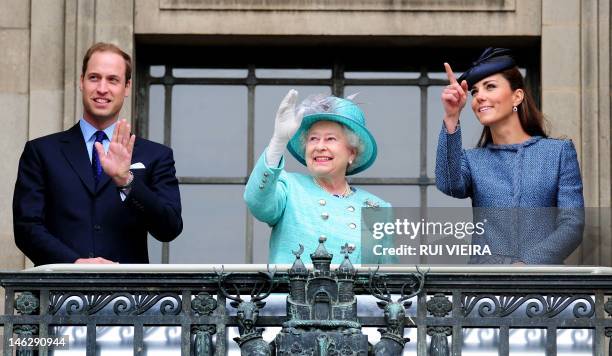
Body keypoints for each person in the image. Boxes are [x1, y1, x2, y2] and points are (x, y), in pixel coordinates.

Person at [13, 42, 183, 265]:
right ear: (81, 82)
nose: (102, 88)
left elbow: (169, 228)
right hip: (58, 293)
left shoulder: (156, 155)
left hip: (130, 297)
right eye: (94, 77)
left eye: (113, 80)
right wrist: (74, 264)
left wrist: (126, 181)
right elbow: (27, 228)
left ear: (127, 86)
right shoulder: (41, 152)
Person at [436, 47, 584, 264]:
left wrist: (527, 265)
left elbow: (572, 224)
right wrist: (451, 117)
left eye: (490, 87)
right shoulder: (473, 160)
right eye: (475, 91)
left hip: (545, 290)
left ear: (517, 97)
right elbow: (448, 184)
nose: (480, 97)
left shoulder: (558, 153)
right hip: (484, 291)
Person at [244, 90, 394, 264]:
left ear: (351, 152)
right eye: (313, 139)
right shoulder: (289, 187)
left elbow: (388, 277)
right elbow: (257, 202)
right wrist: (278, 142)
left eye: (330, 139)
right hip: (293, 291)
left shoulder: (378, 208)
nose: (320, 146)